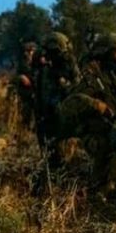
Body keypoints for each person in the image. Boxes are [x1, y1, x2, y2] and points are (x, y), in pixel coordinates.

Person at [58, 32, 116, 214]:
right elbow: (68, 104)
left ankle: (109, 189)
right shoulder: (90, 76)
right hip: (93, 136)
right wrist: (97, 106)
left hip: (109, 131)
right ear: (105, 52)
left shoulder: (113, 76)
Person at [33, 32, 80, 160]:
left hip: (61, 112)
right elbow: (40, 90)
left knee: (61, 150)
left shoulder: (68, 63)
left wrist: (64, 84)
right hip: (46, 111)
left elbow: (76, 86)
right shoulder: (45, 67)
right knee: (47, 146)